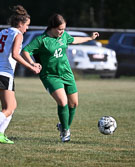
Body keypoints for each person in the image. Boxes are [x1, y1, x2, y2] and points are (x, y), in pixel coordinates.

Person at [22, 13, 99, 142]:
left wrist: (90, 38)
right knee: (63, 102)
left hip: (66, 73)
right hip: (50, 75)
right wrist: (32, 63)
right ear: (52, 27)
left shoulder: (63, 36)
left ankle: (63, 125)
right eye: (59, 29)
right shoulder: (42, 40)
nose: (62, 32)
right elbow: (25, 50)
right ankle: (65, 131)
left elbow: (74, 39)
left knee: (73, 103)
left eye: (63, 29)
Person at [0, 5, 41, 144]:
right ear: (20, 24)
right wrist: (31, 66)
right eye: (27, 25)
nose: (27, 29)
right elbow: (15, 55)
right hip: (5, 73)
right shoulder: (18, 34)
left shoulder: (2, 32)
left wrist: (3, 56)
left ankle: (0, 134)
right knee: (9, 108)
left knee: (10, 106)